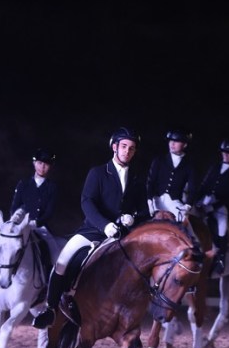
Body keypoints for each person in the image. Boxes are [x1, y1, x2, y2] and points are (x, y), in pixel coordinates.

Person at [31, 127, 150, 329]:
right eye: (124, 146)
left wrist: (133, 219)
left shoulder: (137, 178)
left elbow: (144, 211)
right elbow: (87, 202)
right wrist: (105, 225)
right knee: (63, 261)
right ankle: (50, 309)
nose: (127, 151)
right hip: (94, 230)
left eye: (131, 148)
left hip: (125, 235)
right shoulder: (98, 173)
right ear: (114, 147)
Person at [0, 149, 59, 305]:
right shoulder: (24, 184)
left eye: (46, 164)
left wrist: (36, 222)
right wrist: (17, 222)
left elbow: (50, 211)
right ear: (34, 163)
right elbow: (15, 206)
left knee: (54, 254)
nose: (42, 167)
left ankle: (47, 289)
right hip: (19, 227)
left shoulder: (52, 187)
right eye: (39, 163)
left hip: (40, 228)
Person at [195, 138, 229, 275]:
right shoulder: (215, 167)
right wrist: (197, 200)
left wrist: (214, 206)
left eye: (228, 152)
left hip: (221, 205)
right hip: (205, 201)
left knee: (222, 223)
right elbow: (204, 184)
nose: (225, 154)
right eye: (223, 152)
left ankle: (221, 257)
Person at [146, 129, 196, 222]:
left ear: (185, 144)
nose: (172, 144)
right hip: (156, 201)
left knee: (185, 222)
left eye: (176, 141)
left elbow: (192, 188)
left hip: (174, 203)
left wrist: (188, 205)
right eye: (171, 141)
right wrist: (149, 200)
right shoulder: (159, 160)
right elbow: (150, 182)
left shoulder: (189, 165)